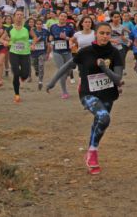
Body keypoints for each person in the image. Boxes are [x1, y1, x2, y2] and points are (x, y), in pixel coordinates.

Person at [46, 23, 123, 175]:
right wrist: (53, 81)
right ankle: (93, 153)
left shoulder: (115, 53)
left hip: (108, 93)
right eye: (102, 33)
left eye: (108, 33)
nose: (105, 36)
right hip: (88, 93)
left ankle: (91, 151)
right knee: (103, 117)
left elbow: (118, 79)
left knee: (101, 122)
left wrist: (104, 68)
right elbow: (67, 66)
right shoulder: (85, 52)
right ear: (96, 34)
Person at [4, 9, 33, 103]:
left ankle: (22, 78)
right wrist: (4, 41)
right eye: (17, 14)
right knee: (16, 73)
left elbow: (35, 37)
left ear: (23, 17)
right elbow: (2, 39)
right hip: (14, 53)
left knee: (25, 74)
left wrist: (33, 44)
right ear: (14, 17)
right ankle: (17, 94)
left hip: (25, 53)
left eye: (21, 15)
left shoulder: (27, 27)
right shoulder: (9, 28)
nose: (19, 16)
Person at [49, 12, 76, 98]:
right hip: (57, 52)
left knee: (69, 69)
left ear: (66, 18)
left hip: (67, 52)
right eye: (61, 16)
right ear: (58, 17)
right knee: (62, 71)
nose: (63, 18)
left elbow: (74, 39)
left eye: (65, 17)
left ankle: (68, 74)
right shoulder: (53, 27)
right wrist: (51, 40)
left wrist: (66, 38)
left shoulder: (70, 28)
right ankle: (64, 92)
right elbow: (51, 37)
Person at [31, 17, 51, 90]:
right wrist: (35, 41)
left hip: (42, 51)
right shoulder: (32, 31)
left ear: (42, 25)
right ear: (35, 25)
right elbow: (28, 40)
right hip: (33, 51)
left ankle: (40, 81)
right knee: (33, 63)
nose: (39, 25)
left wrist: (48, 48)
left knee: (41, 65)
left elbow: (49, 39)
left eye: (40, 24)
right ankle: (36, 71)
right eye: (37, 24)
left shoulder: (45, 31)